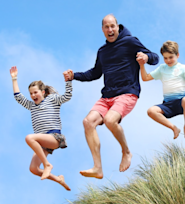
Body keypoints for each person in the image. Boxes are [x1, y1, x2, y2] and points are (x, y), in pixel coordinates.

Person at [63, 14, 159, 179]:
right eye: (106, 27)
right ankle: (98, 168)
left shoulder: (130, 42)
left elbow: (155, 58)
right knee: (88, 122)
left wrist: (146, 57)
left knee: (110, 120)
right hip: (107, 96)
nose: (110, 30)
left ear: (117, 26)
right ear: (102, 30)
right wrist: (74, 76)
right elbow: (95, 73)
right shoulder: (103, 51)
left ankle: (126, 152)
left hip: (127, 92)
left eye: (112, 26)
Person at [10, 66, 72, 191]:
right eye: (31, 93)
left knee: (29, 138)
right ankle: (58, 179)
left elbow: (67, 97)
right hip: (43, 142)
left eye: (35, 92)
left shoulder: (52, 99)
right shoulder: (31, 106)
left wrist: (68, 82)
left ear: (43, 92)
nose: (33, 95)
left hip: (54, 137)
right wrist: (14, 79)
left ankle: (47, 165)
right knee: (33, 169)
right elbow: (18, 97)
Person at [138, 40, 185, 139]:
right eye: (165, 58)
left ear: (177, 55)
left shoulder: (183, 68)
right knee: (151, 111)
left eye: (171, 57)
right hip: (168, 104)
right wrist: (142, 65)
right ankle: (174, 128)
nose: (168, 60)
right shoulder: (162, 68)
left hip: (181, 102)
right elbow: (145, 78)